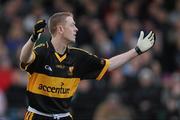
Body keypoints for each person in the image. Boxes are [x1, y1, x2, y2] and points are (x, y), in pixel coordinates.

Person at [19, 12, 155, 120]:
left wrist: (136, 51)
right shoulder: (42, 50)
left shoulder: (79, 57)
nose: (76, 29)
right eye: (72, 25)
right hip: (37, 116)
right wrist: (33, 38)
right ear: (60, 29)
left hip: (64, 116)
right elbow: (24, 59)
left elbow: (109, 65)